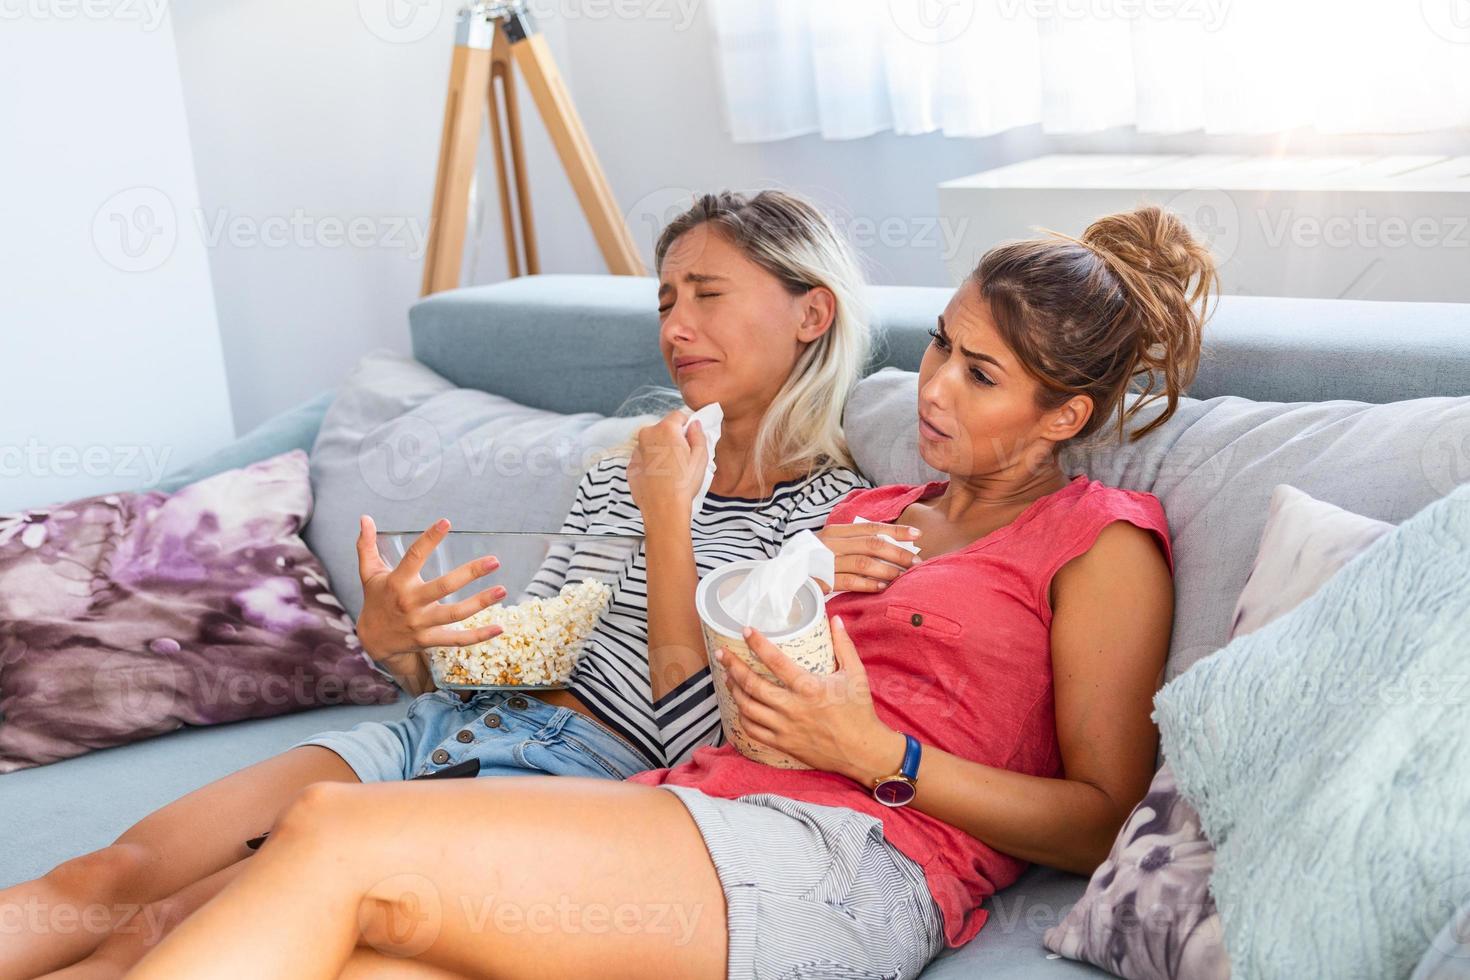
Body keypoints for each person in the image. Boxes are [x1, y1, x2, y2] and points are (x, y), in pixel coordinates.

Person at [126, 205, 1215, 980]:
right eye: (941, 343)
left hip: (852, 861)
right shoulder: (871, 515)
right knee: (364, 949)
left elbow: (1101, 816)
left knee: (332, 831)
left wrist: (878, 752)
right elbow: (728, 708)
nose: (931, 384)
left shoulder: (1100, 544)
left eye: (980, 373)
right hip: (699, 800)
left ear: (1063, 417)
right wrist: (793, 588)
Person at [2, 190, 912, 980]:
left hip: (587, 783)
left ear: (812, 313)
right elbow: (529, 654)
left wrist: (670, 518)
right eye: (667, 300)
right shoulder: (621, 468)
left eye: (708, 296)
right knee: (106, 880)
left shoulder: (827, 530)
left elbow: (694, 742)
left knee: (174, 927)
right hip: (448, 728)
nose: (675, 328)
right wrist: (406, 649)